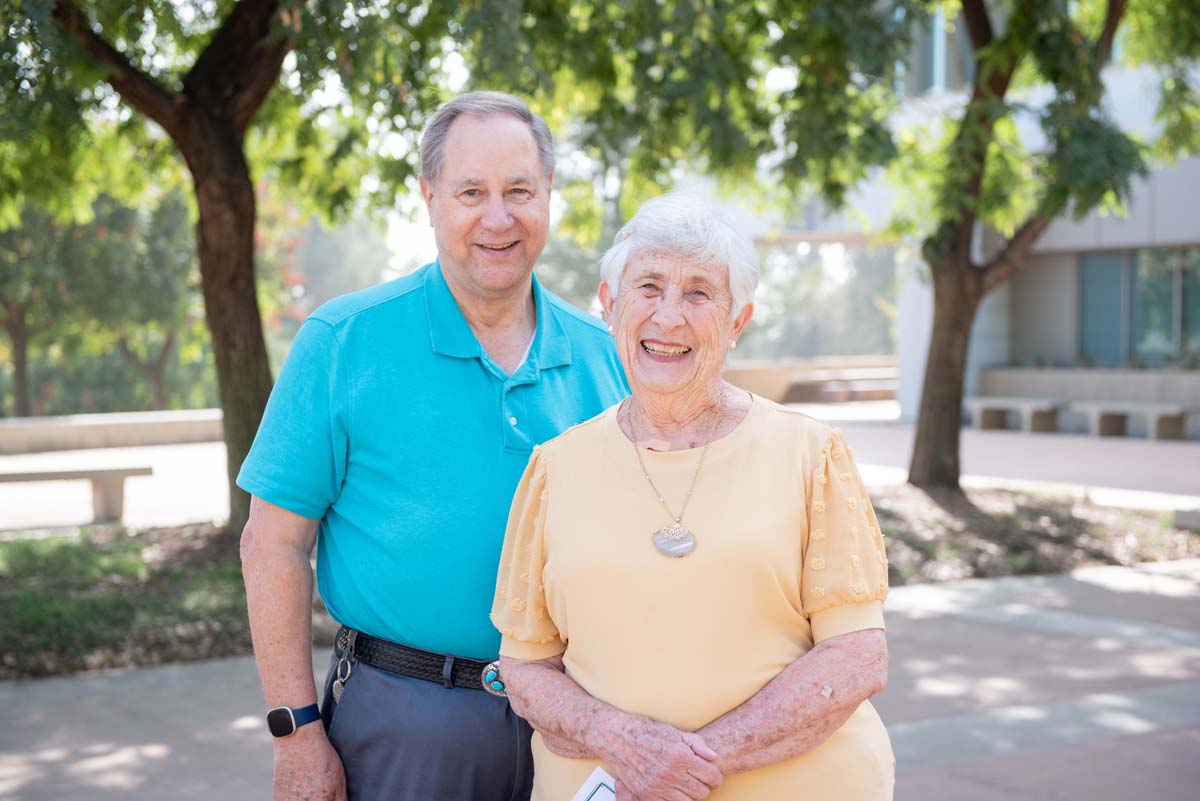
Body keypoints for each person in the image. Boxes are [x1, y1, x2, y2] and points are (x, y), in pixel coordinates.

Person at [237, 91, 627, 801]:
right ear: (429, 197)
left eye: (519, 191)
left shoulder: (608, 357)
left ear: (549, 199)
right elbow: (272, 542)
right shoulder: (343, 342)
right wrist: (296, 730)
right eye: (471, 192)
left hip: (575, 727)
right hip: (404, 722)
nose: (497, 217)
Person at [491, 191, 894, 801]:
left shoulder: (812, 453)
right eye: (648, 287)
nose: (669, 316)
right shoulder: (554, 467)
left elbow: (857, 655)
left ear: (737, 322)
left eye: (699, 293)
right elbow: (524, 669)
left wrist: (683, 764)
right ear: (610, 306)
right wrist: (619, 738)